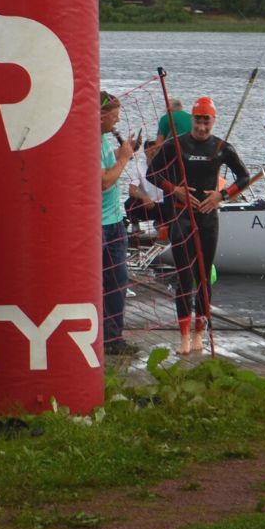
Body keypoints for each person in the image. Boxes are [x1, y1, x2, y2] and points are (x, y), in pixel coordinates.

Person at [148, 96, 251, 356]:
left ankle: (199, 333)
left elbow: (244, 177)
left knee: (203, 277)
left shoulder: (221, 148)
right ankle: (183, 336)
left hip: (207, 218)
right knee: (184, 277)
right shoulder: (176, 145)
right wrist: (176, 191)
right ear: (191, 119)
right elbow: (153, 173)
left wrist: (222, 196)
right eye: (198, 120)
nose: (202, 127)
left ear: (213, 121)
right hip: (182, 217)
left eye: (207, 121)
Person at [99, 90, 136, 356]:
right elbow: (103, 182)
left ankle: (113, 337)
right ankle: (98, 334)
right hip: (97, 224)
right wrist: (123, 158)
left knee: (118, 280)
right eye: (114, 117)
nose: (117, 122)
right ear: (100, 115)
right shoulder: (88, 140)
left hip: (115, 220)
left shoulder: (102, 140)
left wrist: (122, 153)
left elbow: (107, 165)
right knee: (96, 281)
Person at [124, 139, 166, 235]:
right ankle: (135, 227)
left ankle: (162, 224)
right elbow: (131, 190)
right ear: (145, 151)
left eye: (157, 149)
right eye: (151, 149)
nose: (154, 151)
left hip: (163, 204)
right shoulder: (138, 166)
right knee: (129, 203)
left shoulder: (166, 166)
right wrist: (144, 198)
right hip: (147, 204)